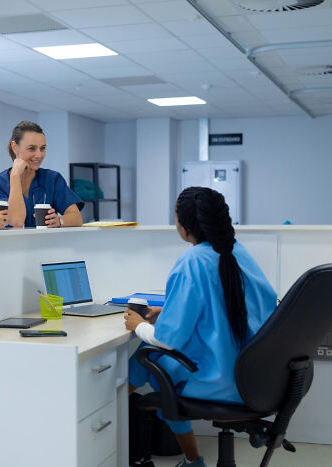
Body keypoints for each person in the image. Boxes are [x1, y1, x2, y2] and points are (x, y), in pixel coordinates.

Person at [124, 187, 277, 467]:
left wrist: (136, 325)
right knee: (152, 361)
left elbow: (168, 340)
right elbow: (243, 305)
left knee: (145, 356)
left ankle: (105, 438)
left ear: (183, 225)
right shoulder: (238, 252)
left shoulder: (192, 261)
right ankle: (190, 460)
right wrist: (168, 310)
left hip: (221, 381)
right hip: (257, 377)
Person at [0, 121, 83, 228]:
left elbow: (76, 217)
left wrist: (59, 221)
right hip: (10, 244)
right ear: (14, 147)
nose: (39, 155)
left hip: (45, 243)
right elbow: (16, 222)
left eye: (42, 148)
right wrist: (15, 176)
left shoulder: (52, 179)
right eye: (31, 148)